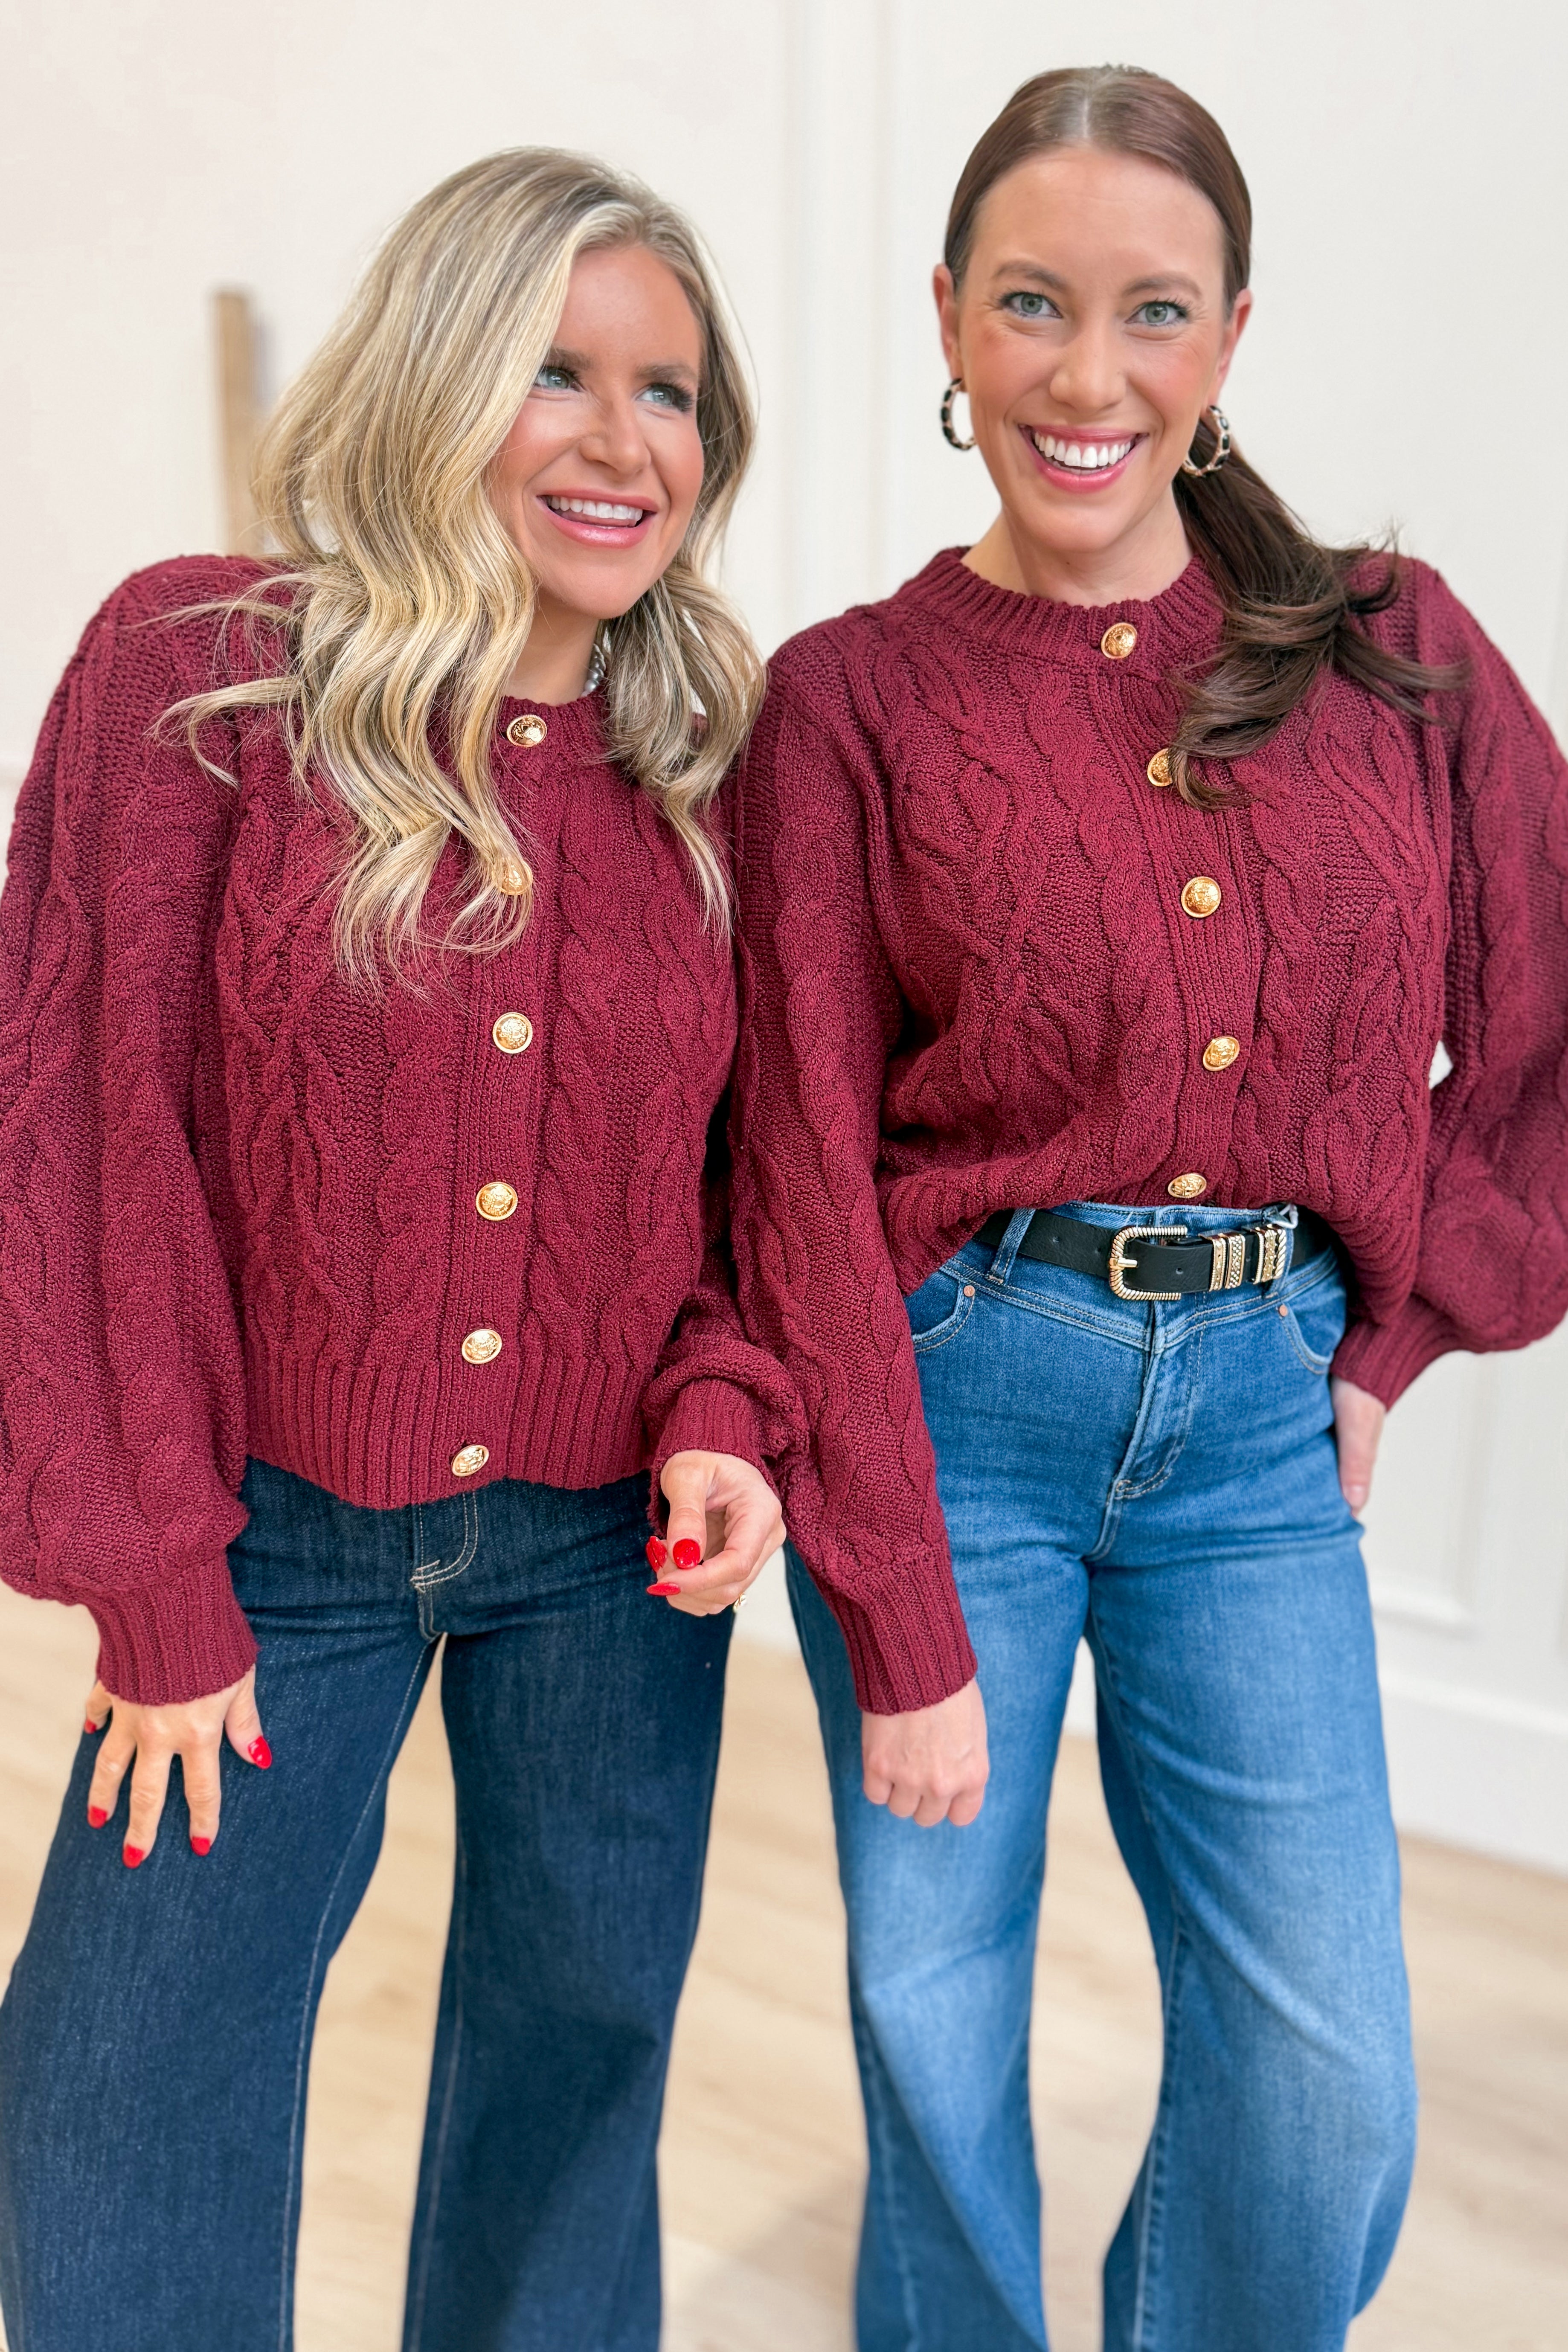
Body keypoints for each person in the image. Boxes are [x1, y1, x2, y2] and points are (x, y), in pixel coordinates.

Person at [729, 64, 1568, 2352]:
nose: (1086, 376)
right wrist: (896, 1599)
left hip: (1258, 1440)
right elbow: (798, 1162)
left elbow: (1541, 1007)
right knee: (930, 2019)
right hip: (952, 1412)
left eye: (1152, 312)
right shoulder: (847, 706)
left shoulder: (1388, 648)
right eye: (1031, 305)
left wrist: (1396, 1332)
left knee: (1328, 2084)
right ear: (947, 318)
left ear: (1230, 336)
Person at [0, 148, 798, 2352]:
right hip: (268, 1541)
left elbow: (760, 1184)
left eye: (670, 391)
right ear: (438, 375)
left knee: (579, 2063)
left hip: (614, 1556)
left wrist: (727, 1408)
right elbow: (78, 1141)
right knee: (116, 2084)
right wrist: (157, 1578)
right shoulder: (205, 676)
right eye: (558, 371)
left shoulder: (710, 764)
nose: (624, 441)